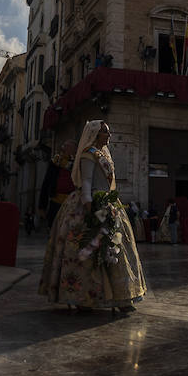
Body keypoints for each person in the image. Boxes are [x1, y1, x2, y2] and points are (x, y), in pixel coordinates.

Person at [38, 120, 147, 312]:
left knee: (114, 245)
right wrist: (90, 205)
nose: (109, 135)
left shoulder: (103, 154)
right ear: (95, 134)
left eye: (109, 131)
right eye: (105, 132)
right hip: (92, 203)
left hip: (107, 203)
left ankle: (121, 297)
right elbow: (87, 181)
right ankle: (84, 297)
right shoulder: (88, 155)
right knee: (91, 246)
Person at [37, 140, 78, 229]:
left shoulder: (78, 164)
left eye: (70, 148)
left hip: (73, 202)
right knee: (54, 229)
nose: (65, 150)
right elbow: (46, 183)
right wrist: (42, 206)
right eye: (65, 148)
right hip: (56, 202)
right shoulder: (55, 162)